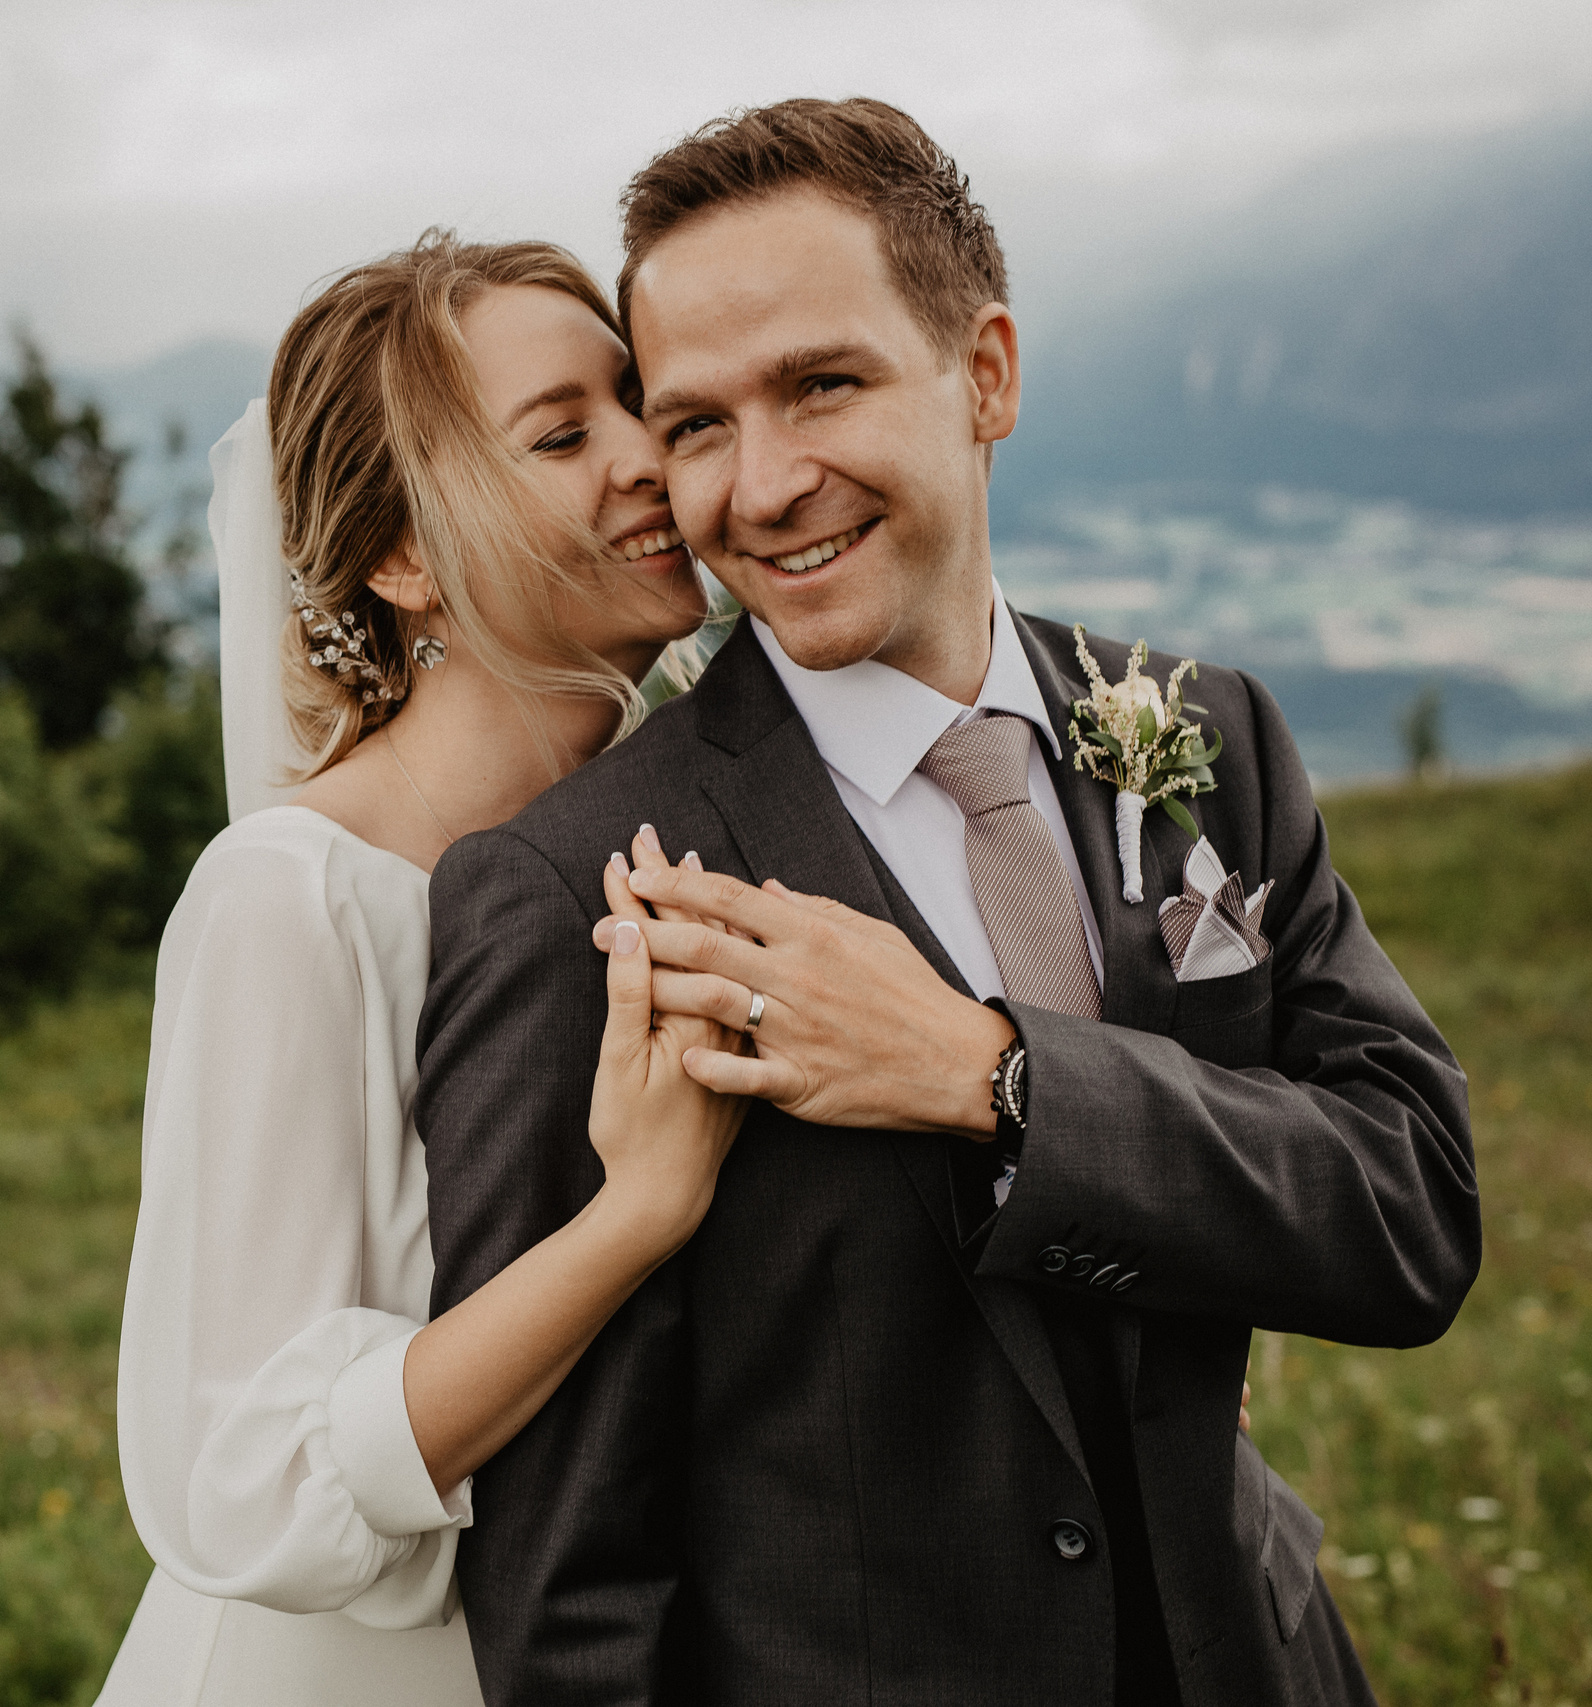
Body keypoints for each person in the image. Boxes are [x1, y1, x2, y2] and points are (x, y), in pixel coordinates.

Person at [417, 99, 1480, 1706]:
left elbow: (1411, 1217)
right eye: (696, 423)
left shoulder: (1209, 737)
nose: (762, 486)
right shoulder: (575, 890)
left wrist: (997, 1080)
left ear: (984, 373)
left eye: (820, 385)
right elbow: (569, 1586)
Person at [96, 235, 743, 1707]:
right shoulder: (293, 902)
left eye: (638, 403)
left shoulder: (673, 848)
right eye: (565, 434)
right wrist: (634, 1217)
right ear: (401, 558)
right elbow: (243, 1477)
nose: (652, 456)